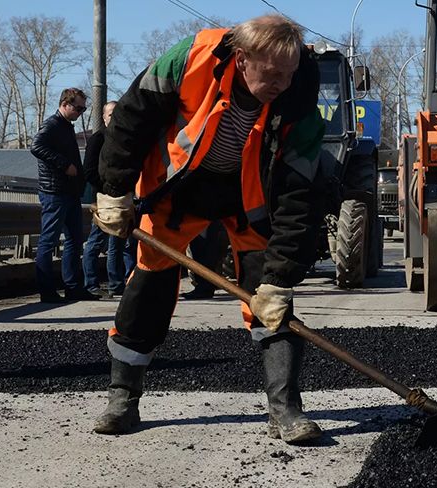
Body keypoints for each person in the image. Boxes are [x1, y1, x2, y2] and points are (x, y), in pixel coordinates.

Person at [92, 15, 328, 444]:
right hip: (180, 189)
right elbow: (130, 120)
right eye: (271, 73)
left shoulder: (301, 107)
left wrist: (280, 278)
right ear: (241, 58)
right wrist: (114, 189)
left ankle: (285, 409)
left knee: (270, 299)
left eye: (288, 74)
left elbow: (300, 198)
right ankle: (122, 399)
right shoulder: (189, 60)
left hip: (250, 198)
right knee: (148, 285)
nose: (280, 83)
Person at [31, 88, 100, 303]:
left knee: (75, 240)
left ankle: (73, 287)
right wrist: (64, 165)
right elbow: (36, 146)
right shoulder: (52, 125)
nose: (80, 112)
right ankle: (47, 291)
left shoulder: (66, 127)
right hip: (54, 192)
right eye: (78, 108)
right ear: (65, 104)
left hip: (68, 192)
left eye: (83, 109)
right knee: (49, 240)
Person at [81, 101, 119, 297]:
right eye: (110, 114)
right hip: (102, 197)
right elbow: (88, 170)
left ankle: (116, 284)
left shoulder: (122, 138)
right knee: (96, 241)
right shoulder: (98, 139)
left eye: (117, 113)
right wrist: (104, 188)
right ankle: (91, 284)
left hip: (120, 197)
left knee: (117, 244)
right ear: (104, 117)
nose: (114, 117)